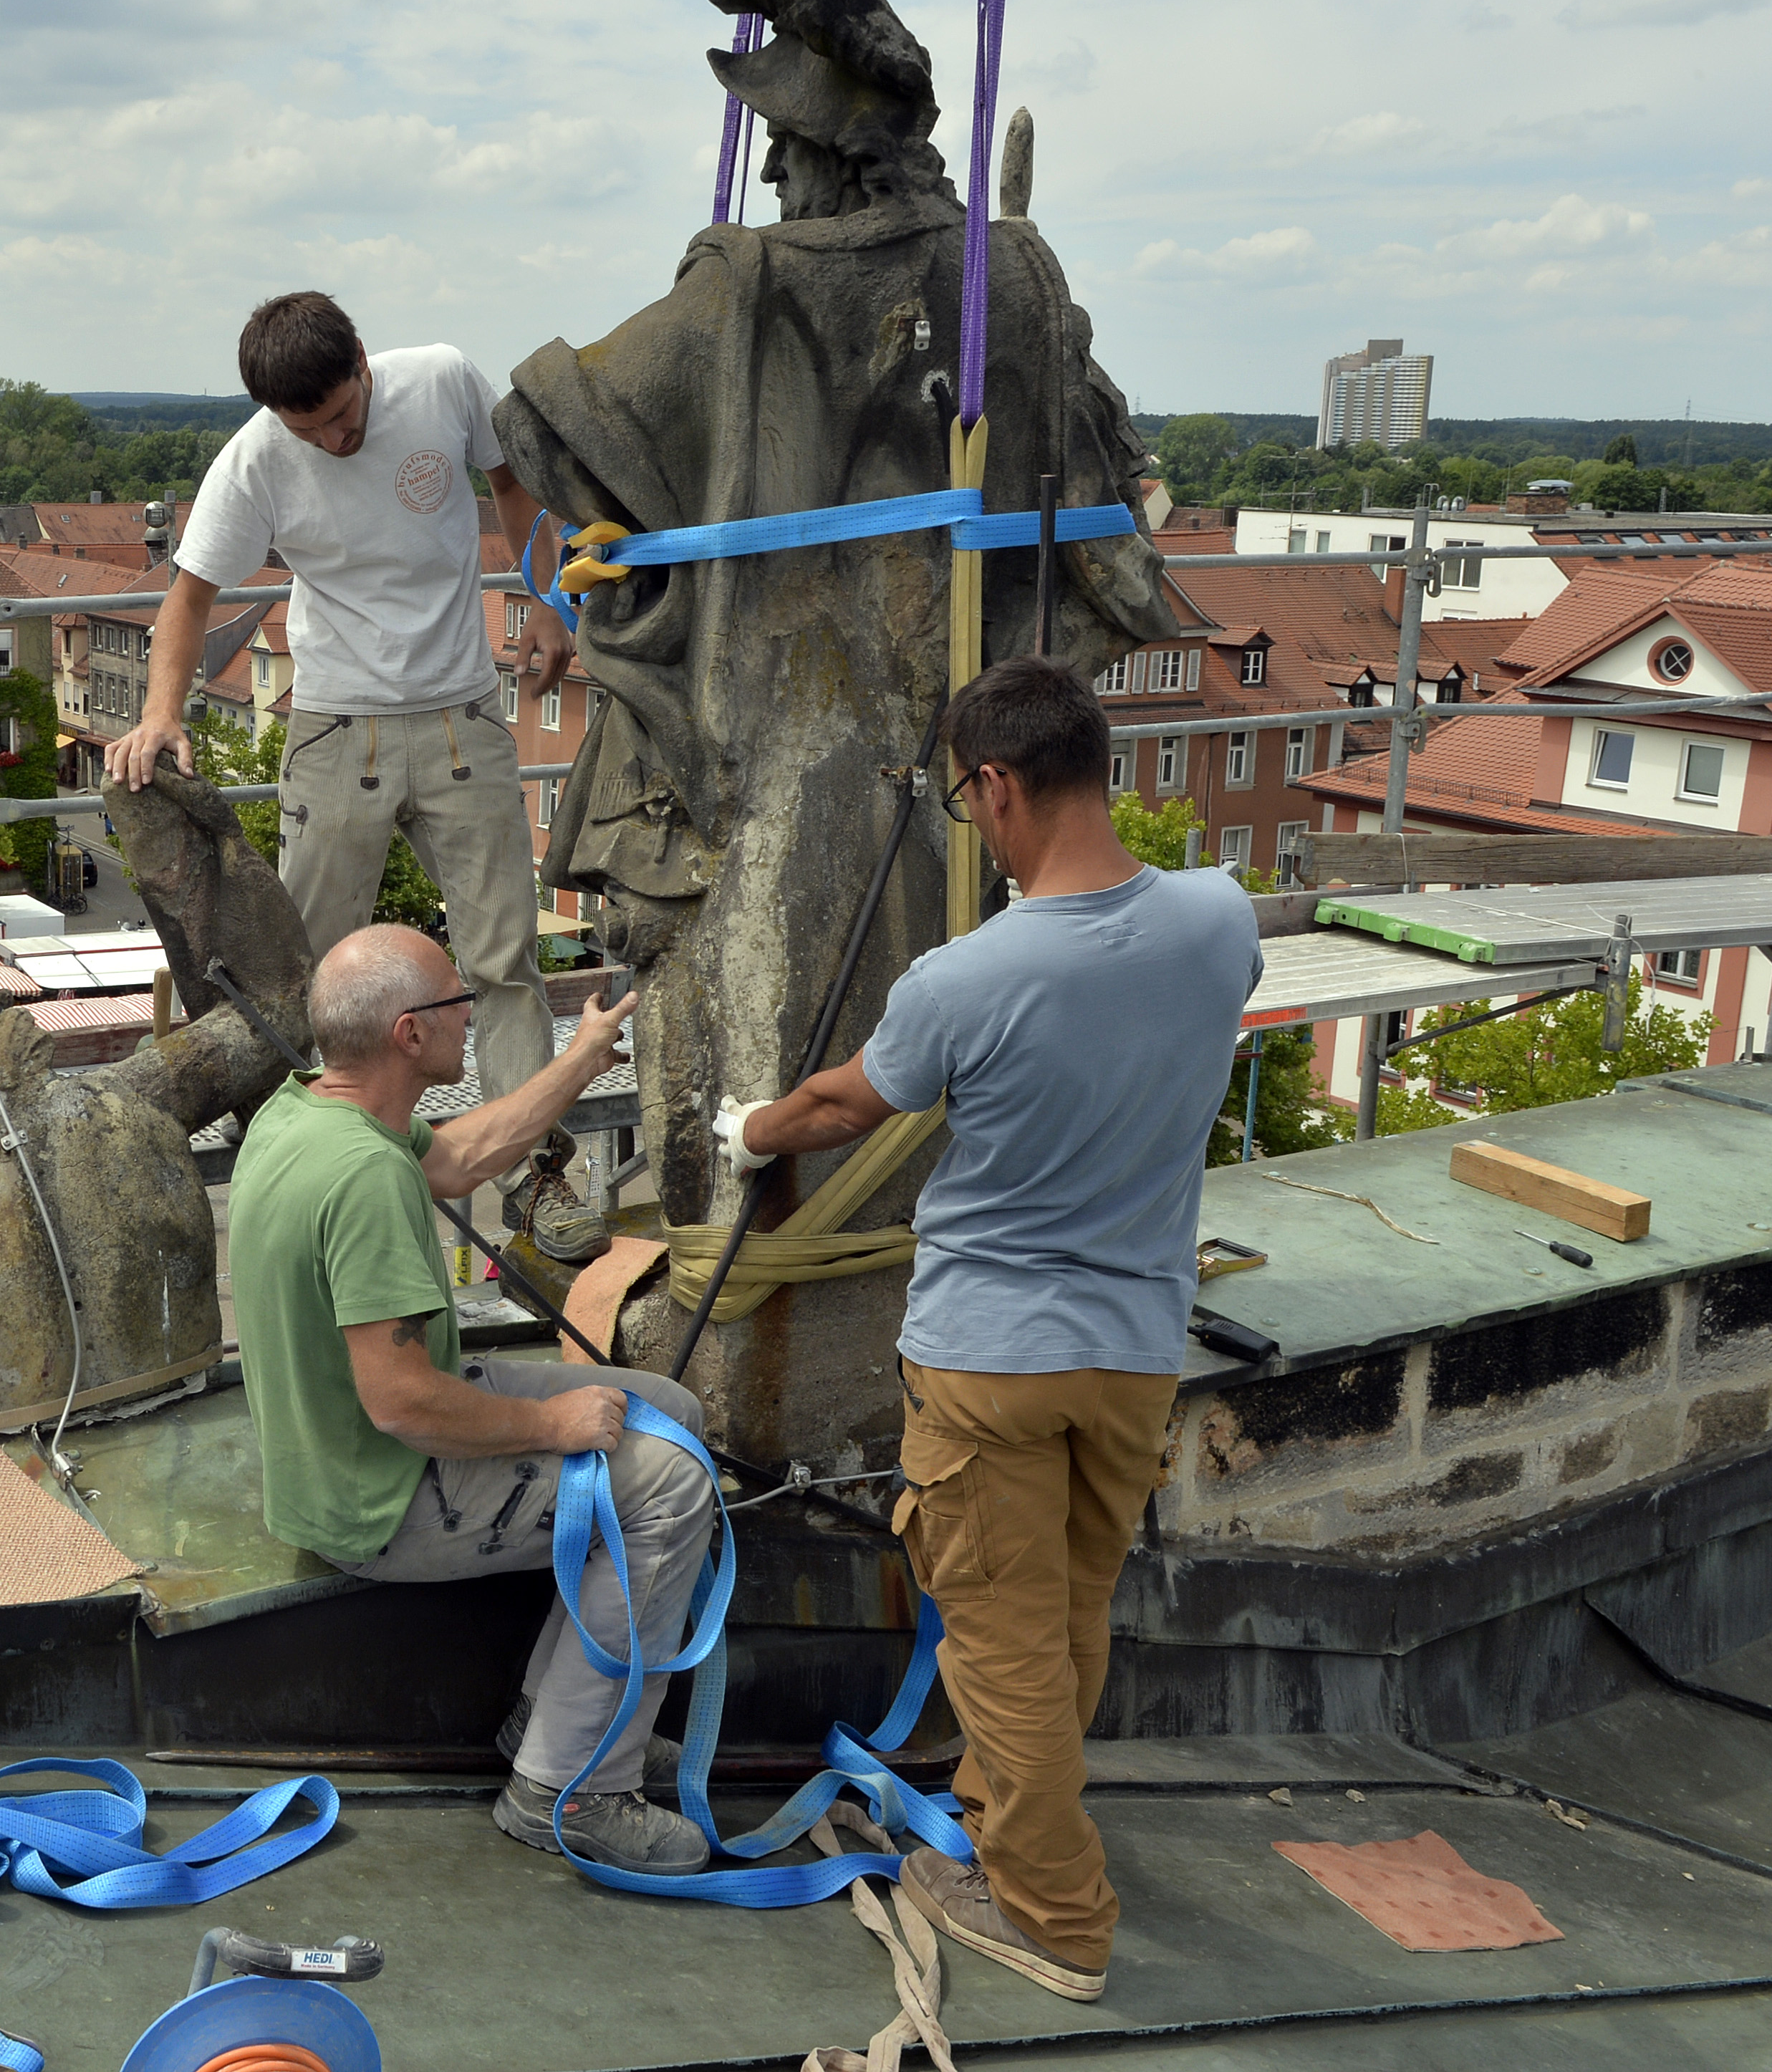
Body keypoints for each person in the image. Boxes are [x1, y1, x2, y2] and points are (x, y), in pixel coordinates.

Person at [721, 655, 1259, 2001]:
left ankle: (1055, 1916)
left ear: (999, 785)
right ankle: (1011, 1822)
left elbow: (850, 1103)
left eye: (970, 801)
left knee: (1002, 1647)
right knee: (1070, 1621)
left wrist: (749, 1127)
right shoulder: (1220, 920)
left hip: (993, 1357)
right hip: (1137, 1350)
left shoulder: (966, 977)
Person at [223, 923, 715, 1876]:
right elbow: (403, 1402)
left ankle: (564, 1717)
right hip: (382, 1494)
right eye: (459, 1002)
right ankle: (567, 1792)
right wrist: (550, 1426)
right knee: (670, 1486)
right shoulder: (362, 1177)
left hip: (341, 1453)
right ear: (411, 1033)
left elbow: (458, 1156)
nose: (473, 1014)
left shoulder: (306, 1113)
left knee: (669, 1412)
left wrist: (577, 1060)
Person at [105, 291, 582, 1235]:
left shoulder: (443, 380)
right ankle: (315, 1182)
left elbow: (515, 491)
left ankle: (534, 1180)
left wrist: (552, 604)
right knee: (313, 983)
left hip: (459, 719)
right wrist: (161, 713)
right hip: (335, 733)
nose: (331, 441)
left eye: (344, 418)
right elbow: (190, 598)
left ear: (364, 360)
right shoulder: (255, 459)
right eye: (308, 430)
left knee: (502, 961)